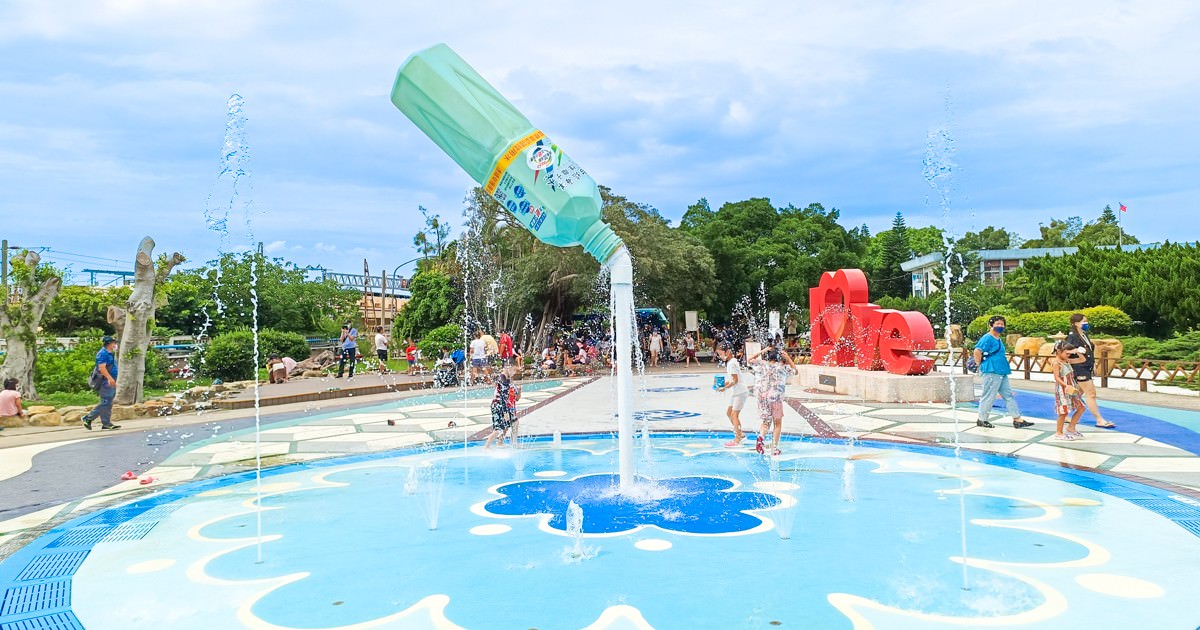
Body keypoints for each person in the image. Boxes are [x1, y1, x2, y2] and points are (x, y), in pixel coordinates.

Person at [973, 316, 1033, 429]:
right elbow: (977, 350)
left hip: (1001, 370)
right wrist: (979, 365)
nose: (1000, 326)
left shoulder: (998, 338)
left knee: (1008, 394)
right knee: (989, 395)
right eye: (997, 324)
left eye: (1002, 324)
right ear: (991, 325)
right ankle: (982, 419)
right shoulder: (987, 338)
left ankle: (1017, 419)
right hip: (991, 370)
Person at [1065, 313, 1116, 429]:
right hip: (1079, 368)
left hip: (1087, 367)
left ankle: (1065, 413)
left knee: (1077, 393)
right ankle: (1099, 419)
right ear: (1076, 324)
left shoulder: (1084, 335)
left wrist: (1092, 365)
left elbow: (1089, 352)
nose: (1086, 323)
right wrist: (1076, 350)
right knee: (1091, 394)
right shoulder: (1072, 337)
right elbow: (1064, 351)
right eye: (1084, 321)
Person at [749, 345, 795, 456]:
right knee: (777, 423)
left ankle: (761, 437)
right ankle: (774, 448)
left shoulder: (762, 365)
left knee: (766, 422)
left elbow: (749, 360)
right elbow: (795, 370)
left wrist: (762, 350)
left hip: (763, 398)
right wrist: (788, 358)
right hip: (776, 398)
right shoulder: (782, 367)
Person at [81, 336, 121, 430]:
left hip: (109, 381)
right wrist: (110, 379)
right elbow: (102, 368)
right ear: (109, 344)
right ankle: (88, 418)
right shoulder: (102, 354)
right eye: (114, 343)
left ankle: (106, 423)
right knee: (105, 402)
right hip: (105, 382)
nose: (115, 345)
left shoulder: (109, 353)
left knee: (108, 402)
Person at [1050, 341, 1085, 440]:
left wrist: (1077, 351)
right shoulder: (1056, 363)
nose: (1068, 355)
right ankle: (1059, 432)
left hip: (1072, 388)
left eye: (1070, 353)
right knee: (1063, 412)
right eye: (1067, 353)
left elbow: (1082, 359)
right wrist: (1066, 386)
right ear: (1059, 351)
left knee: (1081, 407)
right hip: (1063, 389)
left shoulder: (1067, 360)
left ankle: (1071, 427)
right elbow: (1057, 377)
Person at [715, 344, 749, 447]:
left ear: (728, 351)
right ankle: (740, 434)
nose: (720, 356)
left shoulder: (732, 363)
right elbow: (732, 379)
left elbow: (735, 380)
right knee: (729, 413)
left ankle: (737, 440)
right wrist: (723, 384)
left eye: (721, 354)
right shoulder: (731, 362)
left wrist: (724, 388)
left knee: (734, 415)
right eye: (719, 354)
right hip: (736, 392)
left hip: (740, 392)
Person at [484, 370, 520, 448]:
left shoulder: (506, 384)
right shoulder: (503, 383)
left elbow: (513, 398)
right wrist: (505, 412)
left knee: (506, 426)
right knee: (498, 429)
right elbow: (503, 399)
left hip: (501, 407)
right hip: (498, 407)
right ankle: (486, 447)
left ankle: (502, 443)